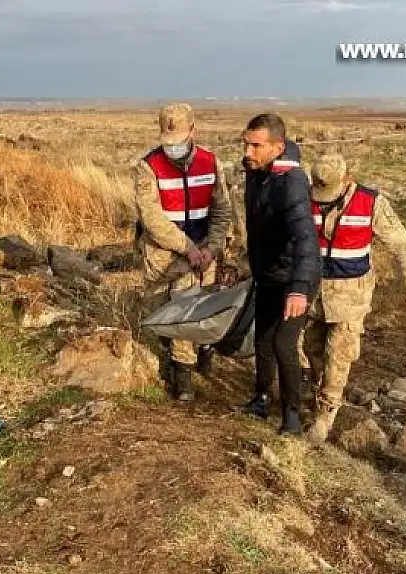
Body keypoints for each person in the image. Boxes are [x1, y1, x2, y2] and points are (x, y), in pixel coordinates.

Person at [302, 153, 406, 443]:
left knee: (339, 354)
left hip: (351, 296)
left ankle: (326, 414)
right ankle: (316, 389)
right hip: (312, 293)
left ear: (348, 180)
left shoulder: (371, 203)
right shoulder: (305, 198)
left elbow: (403, 245)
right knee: (311, 349)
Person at [135, 102, 233, 402]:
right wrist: (187, 248)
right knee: (164, 315)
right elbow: (151, 218)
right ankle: (181, 358)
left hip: (204, 252)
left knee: (190, 309)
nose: (172, 149)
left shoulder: (210, 162)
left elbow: (222, 211)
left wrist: (213, 247)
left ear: (193, 130)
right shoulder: (147, 167)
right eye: (168, 143)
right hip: (165, 254)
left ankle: (185, 376)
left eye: (178, 142)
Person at [239, 113, 321, 435]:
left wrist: (299, 288)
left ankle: (292, 417)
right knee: (262, 339)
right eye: (246, 143)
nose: (248, 151)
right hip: (268, 274)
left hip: (295, 277)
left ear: (278, 146)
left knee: (284, 344)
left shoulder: (292, 183)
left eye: (256, 146)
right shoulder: (255, 172)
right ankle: (260, 399)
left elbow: (306, 240)